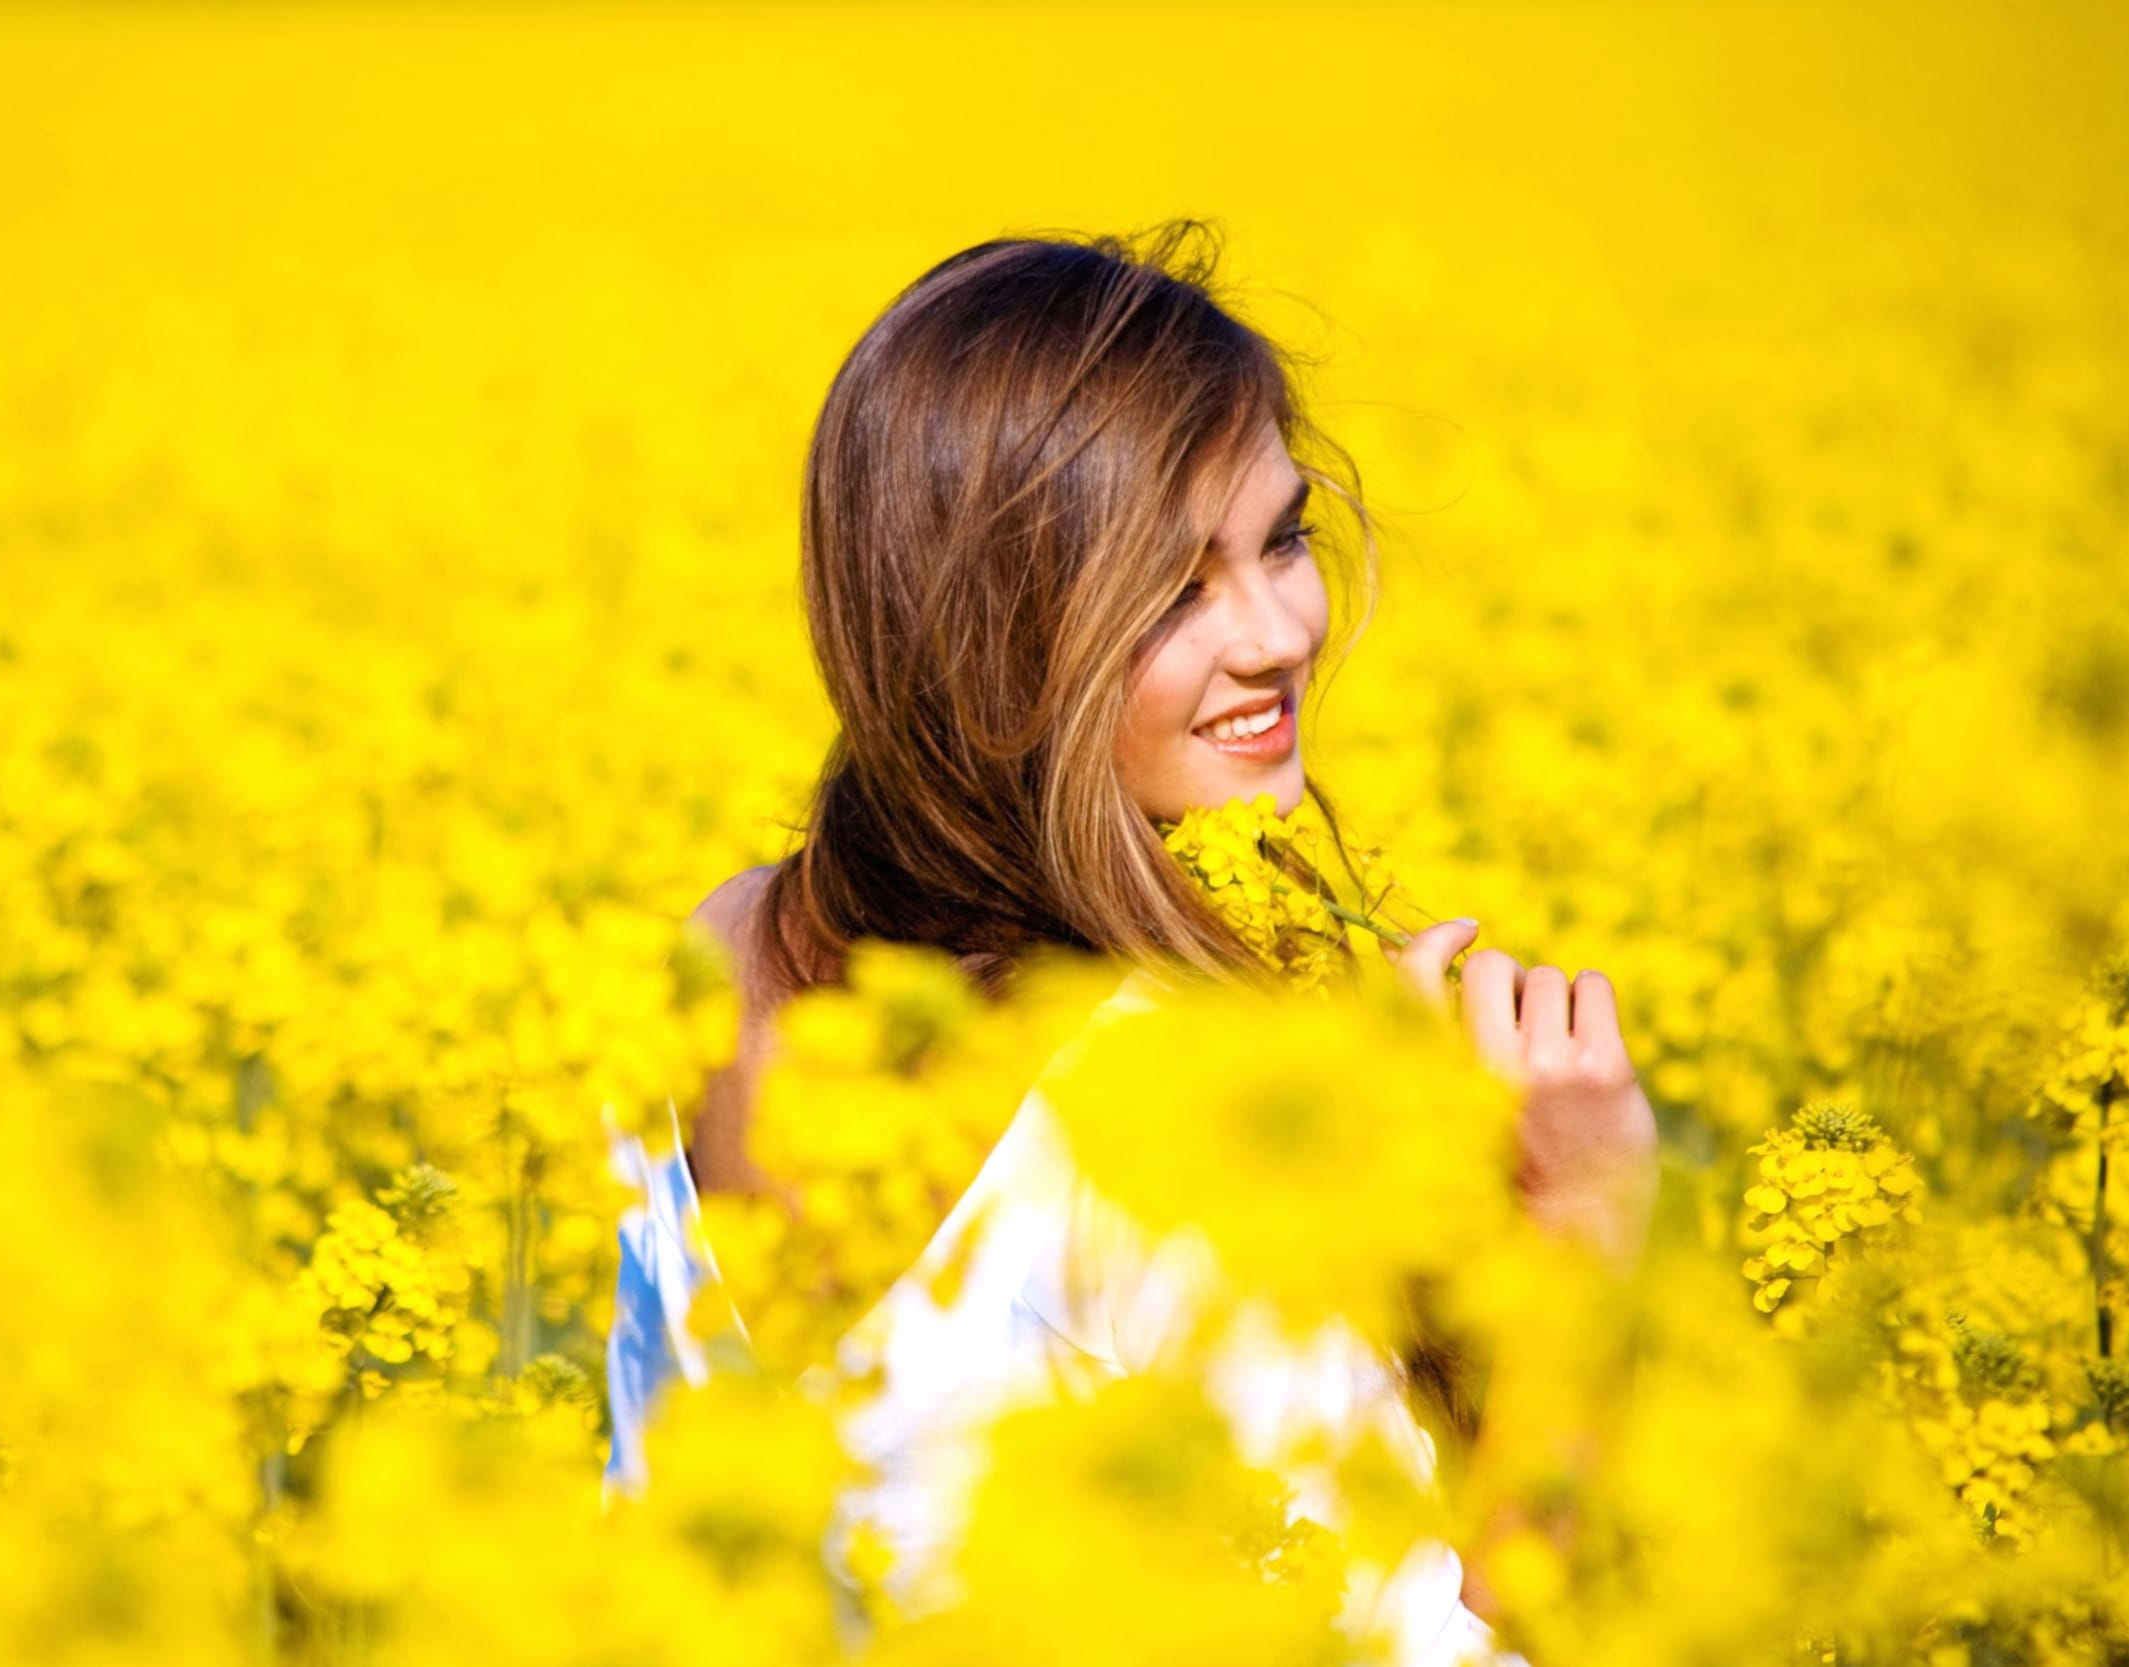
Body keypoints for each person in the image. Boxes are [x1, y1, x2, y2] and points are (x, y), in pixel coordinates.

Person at [603, 220, 1661, 1663]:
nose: (1281, 629)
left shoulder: (719, 954)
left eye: (1282, 537)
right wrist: (1576, 1235)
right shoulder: (1161, 1120)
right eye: (1176, 586)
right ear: (994, 640)